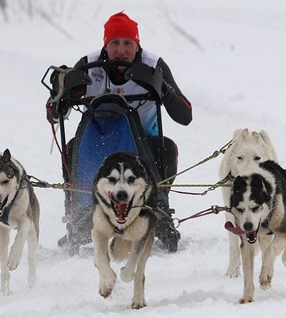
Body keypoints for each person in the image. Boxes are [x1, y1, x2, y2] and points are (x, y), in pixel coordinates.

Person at [46, 11, 192, 251]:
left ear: (137, 45)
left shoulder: (154, 65)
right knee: (71, 147)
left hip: (143, 141)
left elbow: (185, 116)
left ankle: (159, 207)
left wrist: (162, 89)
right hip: (97, 138)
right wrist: (62, 96)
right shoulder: (89, 64)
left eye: (128, 43)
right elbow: (55, 114)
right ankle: (76, 215)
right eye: (115, 43)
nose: (121, 50)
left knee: (167, 147)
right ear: (106, 45)